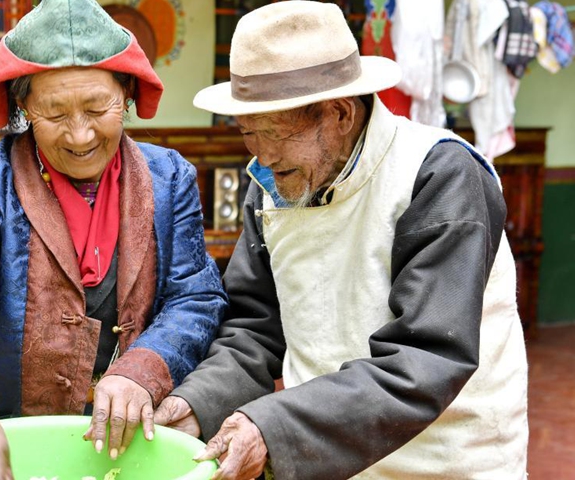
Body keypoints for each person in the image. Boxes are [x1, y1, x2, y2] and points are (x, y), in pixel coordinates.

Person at [155, 3, 529, 479]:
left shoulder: (440, 175)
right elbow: (254, 327)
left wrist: (271, 426)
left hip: (445, 460)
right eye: (249, 132)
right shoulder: (271, 182)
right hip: (322, 455)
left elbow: (428, 355)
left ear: (340, 114)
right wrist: (196, 404)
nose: (263, 155)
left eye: (275, 132)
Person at [0, 0, 227, 478]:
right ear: (23, 107)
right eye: (53, 113)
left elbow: (196, 298)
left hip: (129, 448)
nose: (80, 135)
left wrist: (142, 369)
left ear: (128, 94)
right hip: (13, 445)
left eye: (98, 108)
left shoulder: (169, 178)